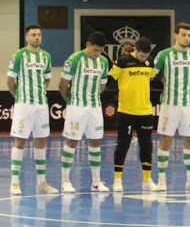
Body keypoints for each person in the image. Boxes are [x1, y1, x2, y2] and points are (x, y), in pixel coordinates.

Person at [7, 25, 58, 195]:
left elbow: (47, 81)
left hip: (41, 105)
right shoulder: (19, 55)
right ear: (26, 38)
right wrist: (19, 96)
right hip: (24, 105)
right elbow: (10, 81)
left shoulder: (46, 56)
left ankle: (41, 182)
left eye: (39, 34)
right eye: (33, 35)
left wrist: (39, 95)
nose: (37, 37)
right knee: (20, 141)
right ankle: (14, 182)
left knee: (41, 141)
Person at [59, 31, 111, 193]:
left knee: (95, 142)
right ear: (87, 45)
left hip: (94, 107)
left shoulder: (103, 62)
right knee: (72, 141)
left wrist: (93, 97)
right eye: (95, 50)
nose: (97, 54)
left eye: (100, 51)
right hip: (77, 106)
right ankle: (65, 181)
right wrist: (71, 101)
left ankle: (96, 182)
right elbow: (62, 85)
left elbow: (103, 85)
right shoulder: (74, 59)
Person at [153, 23, 190, 191]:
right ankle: (161, 180)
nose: (186, 38)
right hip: (169, 104)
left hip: (187, 104)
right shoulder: (164, 54)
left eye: (189, 35)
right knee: (166, 139)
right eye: (183, 35)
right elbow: (154, 74)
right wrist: (165, 82)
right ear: (175, 35)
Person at [108, 37, 157, 192]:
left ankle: (147, 179)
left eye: (146, 56)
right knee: (123, 144)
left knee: (147, 145)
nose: (143, 59)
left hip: (145, 111)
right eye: (141, 56)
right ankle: (117, 179)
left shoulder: (150, 62)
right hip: (126, 111)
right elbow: (111, 78)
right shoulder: (122, 61)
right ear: (136, 50)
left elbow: (152, 78)